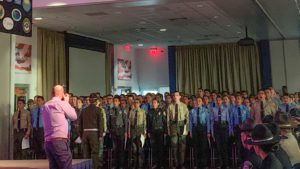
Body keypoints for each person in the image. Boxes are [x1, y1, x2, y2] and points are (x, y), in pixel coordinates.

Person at [43, 85, 77, 169]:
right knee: (66, 166)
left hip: (48, 142)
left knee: (54, 166)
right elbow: (73, 116)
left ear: (52, 93)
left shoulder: (46, 105)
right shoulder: (61, 103)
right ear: (61, 93)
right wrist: (66, 102)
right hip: (59, 141)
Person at [79, 93, 105, 169]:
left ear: (90, 101)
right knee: (94, 153)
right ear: (96, 101)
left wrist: (81, 135)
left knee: (86, 153)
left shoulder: (83, 110)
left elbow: (80, 124)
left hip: (85, 134)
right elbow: (100, 123)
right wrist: (100, 135)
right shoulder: (98, 110)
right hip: (94, 133)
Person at [166, 91, 189, 169]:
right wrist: (168, 129)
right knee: (174, 146)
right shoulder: (170, 106)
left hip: (182, 125)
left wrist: (186, 129)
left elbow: (187, 118)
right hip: (173, 126)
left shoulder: (184, 106)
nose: (175, 97)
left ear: (179, 97)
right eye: (174, 95)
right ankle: (176, 164)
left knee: (182, 146)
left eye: (177, 95)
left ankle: (182, 164)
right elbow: (168, 119)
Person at [189, 97, 210, 169]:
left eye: (199, 101)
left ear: (202, 102)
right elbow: (190, 122)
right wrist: (191, 132)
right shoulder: (192, 111)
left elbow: (208, 122)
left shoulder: (205, 110)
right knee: (196, 147)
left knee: (203, 147)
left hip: (203, 128)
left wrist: (208, 132)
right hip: (195, 129)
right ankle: (196, 164)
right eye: (197, 101)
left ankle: (204, 164)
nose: (198, 102)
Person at [211, 96, 231, 169]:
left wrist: (229, 131)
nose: (218, 102)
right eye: (217, 100)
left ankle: (226, 164)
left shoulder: (226, 109)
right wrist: (212, 132)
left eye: (220, 100)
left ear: (222, 101)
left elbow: (228, 121)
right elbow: (212, 121)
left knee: (225, 147)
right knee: (218, 147)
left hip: (224, 128)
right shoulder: (213, 109)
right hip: (216, 128)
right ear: (216, 101)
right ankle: (220, 163)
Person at [109, 96, 128, 169]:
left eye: (116, 101)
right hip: (114, 131)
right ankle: (115, 165)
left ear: (119, 102)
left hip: (121, 130)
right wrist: (110, 129)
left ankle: (121, 165)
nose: (115, 102)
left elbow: (126, 121)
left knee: (121, 149)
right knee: (115, 149)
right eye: (114, 101)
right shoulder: (111, 110)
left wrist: (125, 131)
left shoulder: (123, 110)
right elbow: (109, 121)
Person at [128, 98, 147, 169]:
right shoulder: (131, 111)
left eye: (137, 102)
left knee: (140, 149)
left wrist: (145, 132)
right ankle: (135, 164)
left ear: (139, 103)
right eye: (135, 102)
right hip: (133, 130)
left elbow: (145, 122)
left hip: (140, 130)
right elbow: (129, 122)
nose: (136, 104)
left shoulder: (142, 111)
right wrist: (129, 132)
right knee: (134, 149)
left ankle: (140, 165)